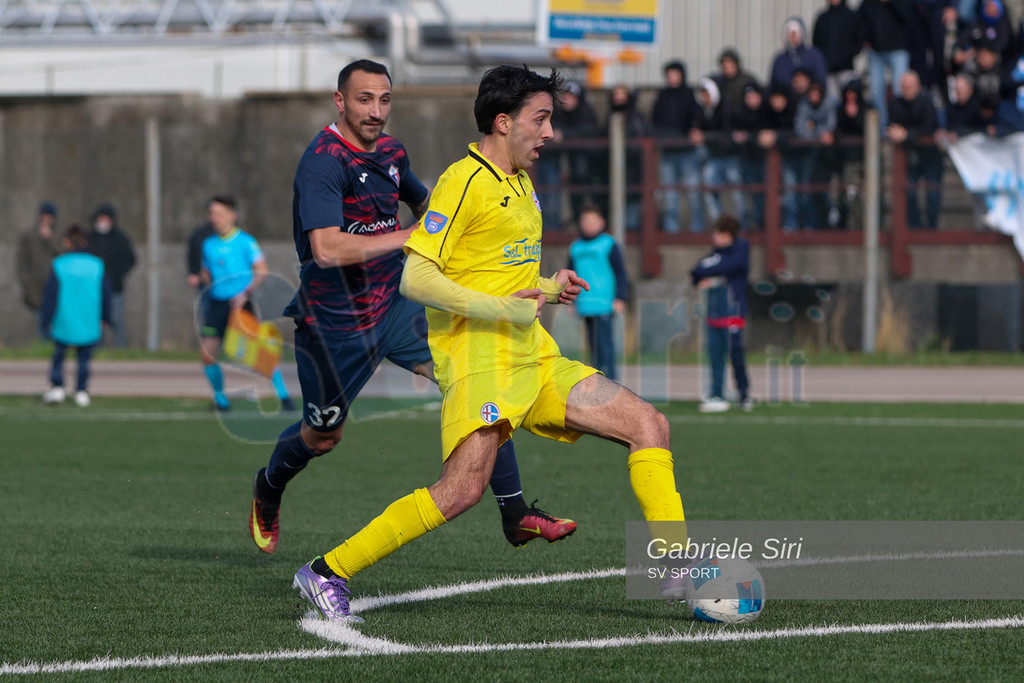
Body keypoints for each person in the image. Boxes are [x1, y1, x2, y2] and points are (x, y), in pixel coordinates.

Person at [292, 64, 686, 622]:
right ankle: (326, 571)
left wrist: (547, 287)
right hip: (481, 363)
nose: (550, 132)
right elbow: (416, 278)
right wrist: (503, 308)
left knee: (649, 424)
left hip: (535, 357)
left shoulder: (522, 182)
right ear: (503, 122)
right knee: (460, 491)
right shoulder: (462, 181)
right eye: (540, 119)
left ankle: (677, 566)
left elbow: (497, 273)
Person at [250, 59, 576, 558]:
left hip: (398, 308)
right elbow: (326, 249)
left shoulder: (393, 153)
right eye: (364, 99)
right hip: (336, 325)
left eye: (384, 100)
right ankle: (269, 486)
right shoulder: (323, 162)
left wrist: (460, 246)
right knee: (322, 435)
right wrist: (407, 237)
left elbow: (430, 210)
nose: (375, 111)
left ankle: (515, 514)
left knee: (474, 381)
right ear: (340, 101)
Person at [197, 194, 293, 411]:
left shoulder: (245, 242)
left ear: (232, 215)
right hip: (217, 306)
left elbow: (262, 271)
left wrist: (245, 293)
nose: (214, 218)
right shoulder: (208, 244)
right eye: (211, 213)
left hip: (241, 305)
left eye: (219, 213)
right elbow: (206, 273)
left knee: (259, 355)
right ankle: (221, 401)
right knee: (207, 354)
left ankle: (284, 397)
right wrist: (201, 279)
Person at [40, 225, 112, 407]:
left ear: (66, 242)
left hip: (64, 317)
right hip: (89, 317)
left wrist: (47, 318)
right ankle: (81, 390)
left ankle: (57, 387)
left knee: (59, 354)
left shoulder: (60, 264)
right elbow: (106, 293)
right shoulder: (96, 265)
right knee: (84, 357)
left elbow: (50, 294)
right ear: (84, 242)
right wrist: (106, 316)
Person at [690, 216, 751, 414]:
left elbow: (727, 266)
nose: (714, 237)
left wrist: (710, 273)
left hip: (733, 312)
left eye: (717, 233)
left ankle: (744, 393)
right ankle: (717, 393)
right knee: (715, 355)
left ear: (727, 235)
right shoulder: (716, 253)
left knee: (735, 354)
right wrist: (704, 276)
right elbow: (696, 271)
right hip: (715, 313)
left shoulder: (741, 249)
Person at [567, 204, 629, 381]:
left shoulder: (608, 244)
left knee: (605, 344)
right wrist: (571, 301)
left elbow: (620, 273)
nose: (589, 224)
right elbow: (570, 275)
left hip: (604, 303)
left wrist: (620, 297)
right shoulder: (576, 247)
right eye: (586, 221)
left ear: (602, 222)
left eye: (593, 221)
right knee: (592, 344)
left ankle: (611, 379)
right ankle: (598, 377)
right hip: (585, 304)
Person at [651, 60, 704, 233]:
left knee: (693, 191)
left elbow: (697, 117)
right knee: (669, 193)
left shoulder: (690, 94)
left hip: (687, 152)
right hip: (668, 152)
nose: (672, 78)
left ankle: (697, 228)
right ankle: (670, 229)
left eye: (675, 74)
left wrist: (695, 130)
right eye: (669, 75)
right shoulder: (662, 96)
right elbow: (655, 121)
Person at [888, 70, 943, 230]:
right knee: (909, 193)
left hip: (931, 156)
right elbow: (893, 126)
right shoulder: (896, 103)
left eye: (910, 87)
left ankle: (932, 230)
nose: (906, 90)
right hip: (909, 156)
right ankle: (915, 229)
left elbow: (929, 127)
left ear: (918, 86)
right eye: (904, 87)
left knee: (932, 195)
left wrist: (907, 134)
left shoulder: (927, 102)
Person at [86, 203, 136, 348]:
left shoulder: (120, 239)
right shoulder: (90, 238)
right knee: (95, 320)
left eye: (106, 218)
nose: (103, 222)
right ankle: (96, 348)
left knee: (117, 319)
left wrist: (118, 275)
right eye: (101, 218)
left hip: (115, 288)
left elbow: (131, 260)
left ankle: (120, 349)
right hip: (94, 288)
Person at [859, 0, 913, 130]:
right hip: (875, 51)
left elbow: (907, 13)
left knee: (899, 90)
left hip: (898, 48)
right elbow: (862, 20)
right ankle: (882, 131)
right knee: (875, 92)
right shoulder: (868, 3)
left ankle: (899, 127)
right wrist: (865, 38)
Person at [794, 79, 838, 229]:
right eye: (811, 93)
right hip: (807, 154)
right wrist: (820, 134)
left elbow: (831, 126)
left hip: (828, 156)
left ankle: (828, 222)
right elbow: (800, 129)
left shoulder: (829, 104)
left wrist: (814, 128)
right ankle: (810, 225)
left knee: (825, 190)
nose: (814, 96)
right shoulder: (803, 105)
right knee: (806, 189)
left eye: (817, 93)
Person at [606, 84, 650, 232]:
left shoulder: (635, 116)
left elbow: (640, 140)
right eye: (616, 94)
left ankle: (631, 229)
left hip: (633, 168)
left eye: (622, 94)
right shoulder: (610, 116)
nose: (619, 98)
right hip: (613, 168)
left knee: (632, 200)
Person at [17, 201, 60, 340]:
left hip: (55, 285)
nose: (46, 219)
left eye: (49, 216)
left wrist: (50, 239)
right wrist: (27, 284)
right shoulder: (29, 236)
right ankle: (43, 346)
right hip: (36, 286)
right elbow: (22, 263)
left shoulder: (58, 236)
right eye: (44, 215)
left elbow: (62, 256)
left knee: (55, 321)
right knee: (40, 321)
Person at [812, 0, 865, 101]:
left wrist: (845, 57)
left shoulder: (852, 16)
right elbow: (816, 44)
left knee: (849, 102)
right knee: (832, 102)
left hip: (847, 70)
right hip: (828, 72)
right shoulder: (822, 18)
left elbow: (858, 42)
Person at [769, 17, 828, 97]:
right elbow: (774, 85)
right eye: (790, 33)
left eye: (796, 33)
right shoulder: (779, 60)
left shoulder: (815, 56)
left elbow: (821, 80)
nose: (793, 37)